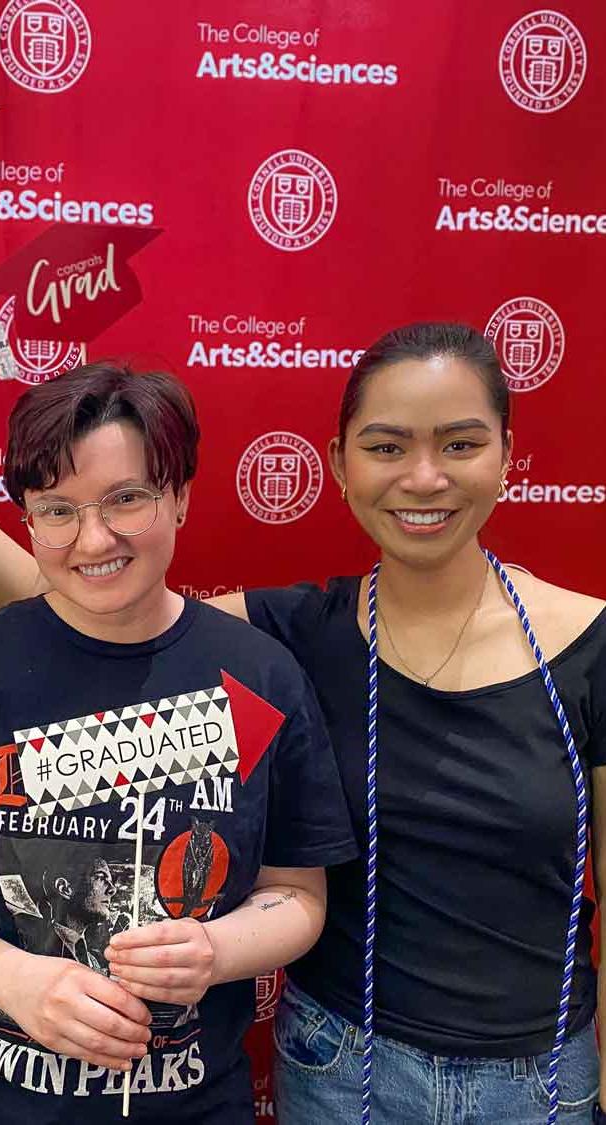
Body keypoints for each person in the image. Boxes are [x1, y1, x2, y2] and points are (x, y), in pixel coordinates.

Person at [0, 363, 357, 1123]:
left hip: (192, 1103)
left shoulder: (260, 676)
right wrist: (13, 979)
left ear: (179, 497)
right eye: (57, 510)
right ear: (28, 518)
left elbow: (297, 895)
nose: (92, 538)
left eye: (125, 499)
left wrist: (218, 950)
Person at [206, 323, 606, 1122]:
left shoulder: (589, 643)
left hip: (538, 1086)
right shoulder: (294, 633)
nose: (423, 478)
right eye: (386, 447)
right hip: (338, 1069)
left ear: (505, 454)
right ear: (338, 464)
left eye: (460, 444)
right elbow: (101, 615)